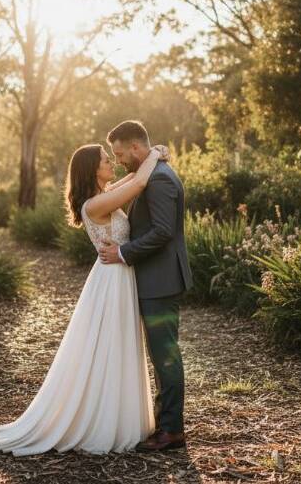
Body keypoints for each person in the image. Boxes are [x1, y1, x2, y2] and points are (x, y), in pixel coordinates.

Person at [0, 136, 169, 456]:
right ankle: (105, 420)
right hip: (111, 281)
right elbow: (138, 185)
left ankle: (120, 414)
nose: (111, 163)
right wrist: (157, 153)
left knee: (117, 346)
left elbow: (134, 178)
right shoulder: (94, 205)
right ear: (93, 170)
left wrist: (153, 154)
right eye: (106, 160)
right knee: (109, 347)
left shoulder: (103, 195)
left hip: (117, 276)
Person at [98, 119, 192, 452]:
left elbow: (164, 231)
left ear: (137, 148)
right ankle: (164, 421)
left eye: (121, 153)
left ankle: (172, 430)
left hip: (161, 282)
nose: (120, 159)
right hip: (154, 279)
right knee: (160, 353)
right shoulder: (151, 174)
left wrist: (123, 252)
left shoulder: (160, 180)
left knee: (165, 355)